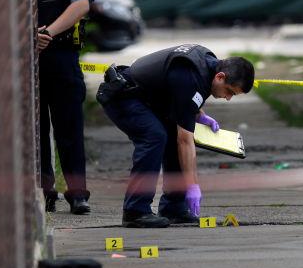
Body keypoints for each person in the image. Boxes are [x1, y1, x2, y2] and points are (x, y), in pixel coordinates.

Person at [97, 44, 254, 228]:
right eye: (230, 92)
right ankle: (135, 211)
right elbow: (185, 141)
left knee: (171, 133)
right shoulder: (191, 74)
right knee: (155, 136)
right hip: (123, 96)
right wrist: (193, 186)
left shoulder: (208, 64)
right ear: (221, 77)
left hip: (144, 98)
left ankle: (174, 207)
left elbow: (183, 95)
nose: (228, 98)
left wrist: (199, 114)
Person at [34, 0, 93, 214]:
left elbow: (82, 3)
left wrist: (48, 32)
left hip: (60, 56)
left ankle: (77, 193)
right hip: (29, 60)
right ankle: (46, 191)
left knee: (69, 127)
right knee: (37, 130)